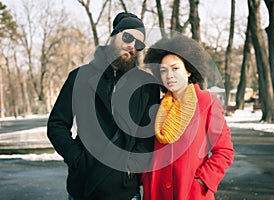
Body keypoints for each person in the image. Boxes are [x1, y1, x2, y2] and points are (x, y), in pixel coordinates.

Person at [47, 12, 160, 200]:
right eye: (127, 37)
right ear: (114, 35)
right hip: (83, 186)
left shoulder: (147, 86)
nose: (132, 46)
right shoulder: (79, 78)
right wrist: (77, 159)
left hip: (125, 190)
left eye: (138, 44)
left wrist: (133, 165)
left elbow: (147, 135)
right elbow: (56, 124)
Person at [141, 35, 234, 200]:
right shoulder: (158, 107)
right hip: (156, 193)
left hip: (190, 192)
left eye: (175, 68)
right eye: (163, 70)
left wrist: (203, 179)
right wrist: (146, 178)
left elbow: (224, 150)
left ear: (189, 70)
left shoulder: (207, 102)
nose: (169, 75)